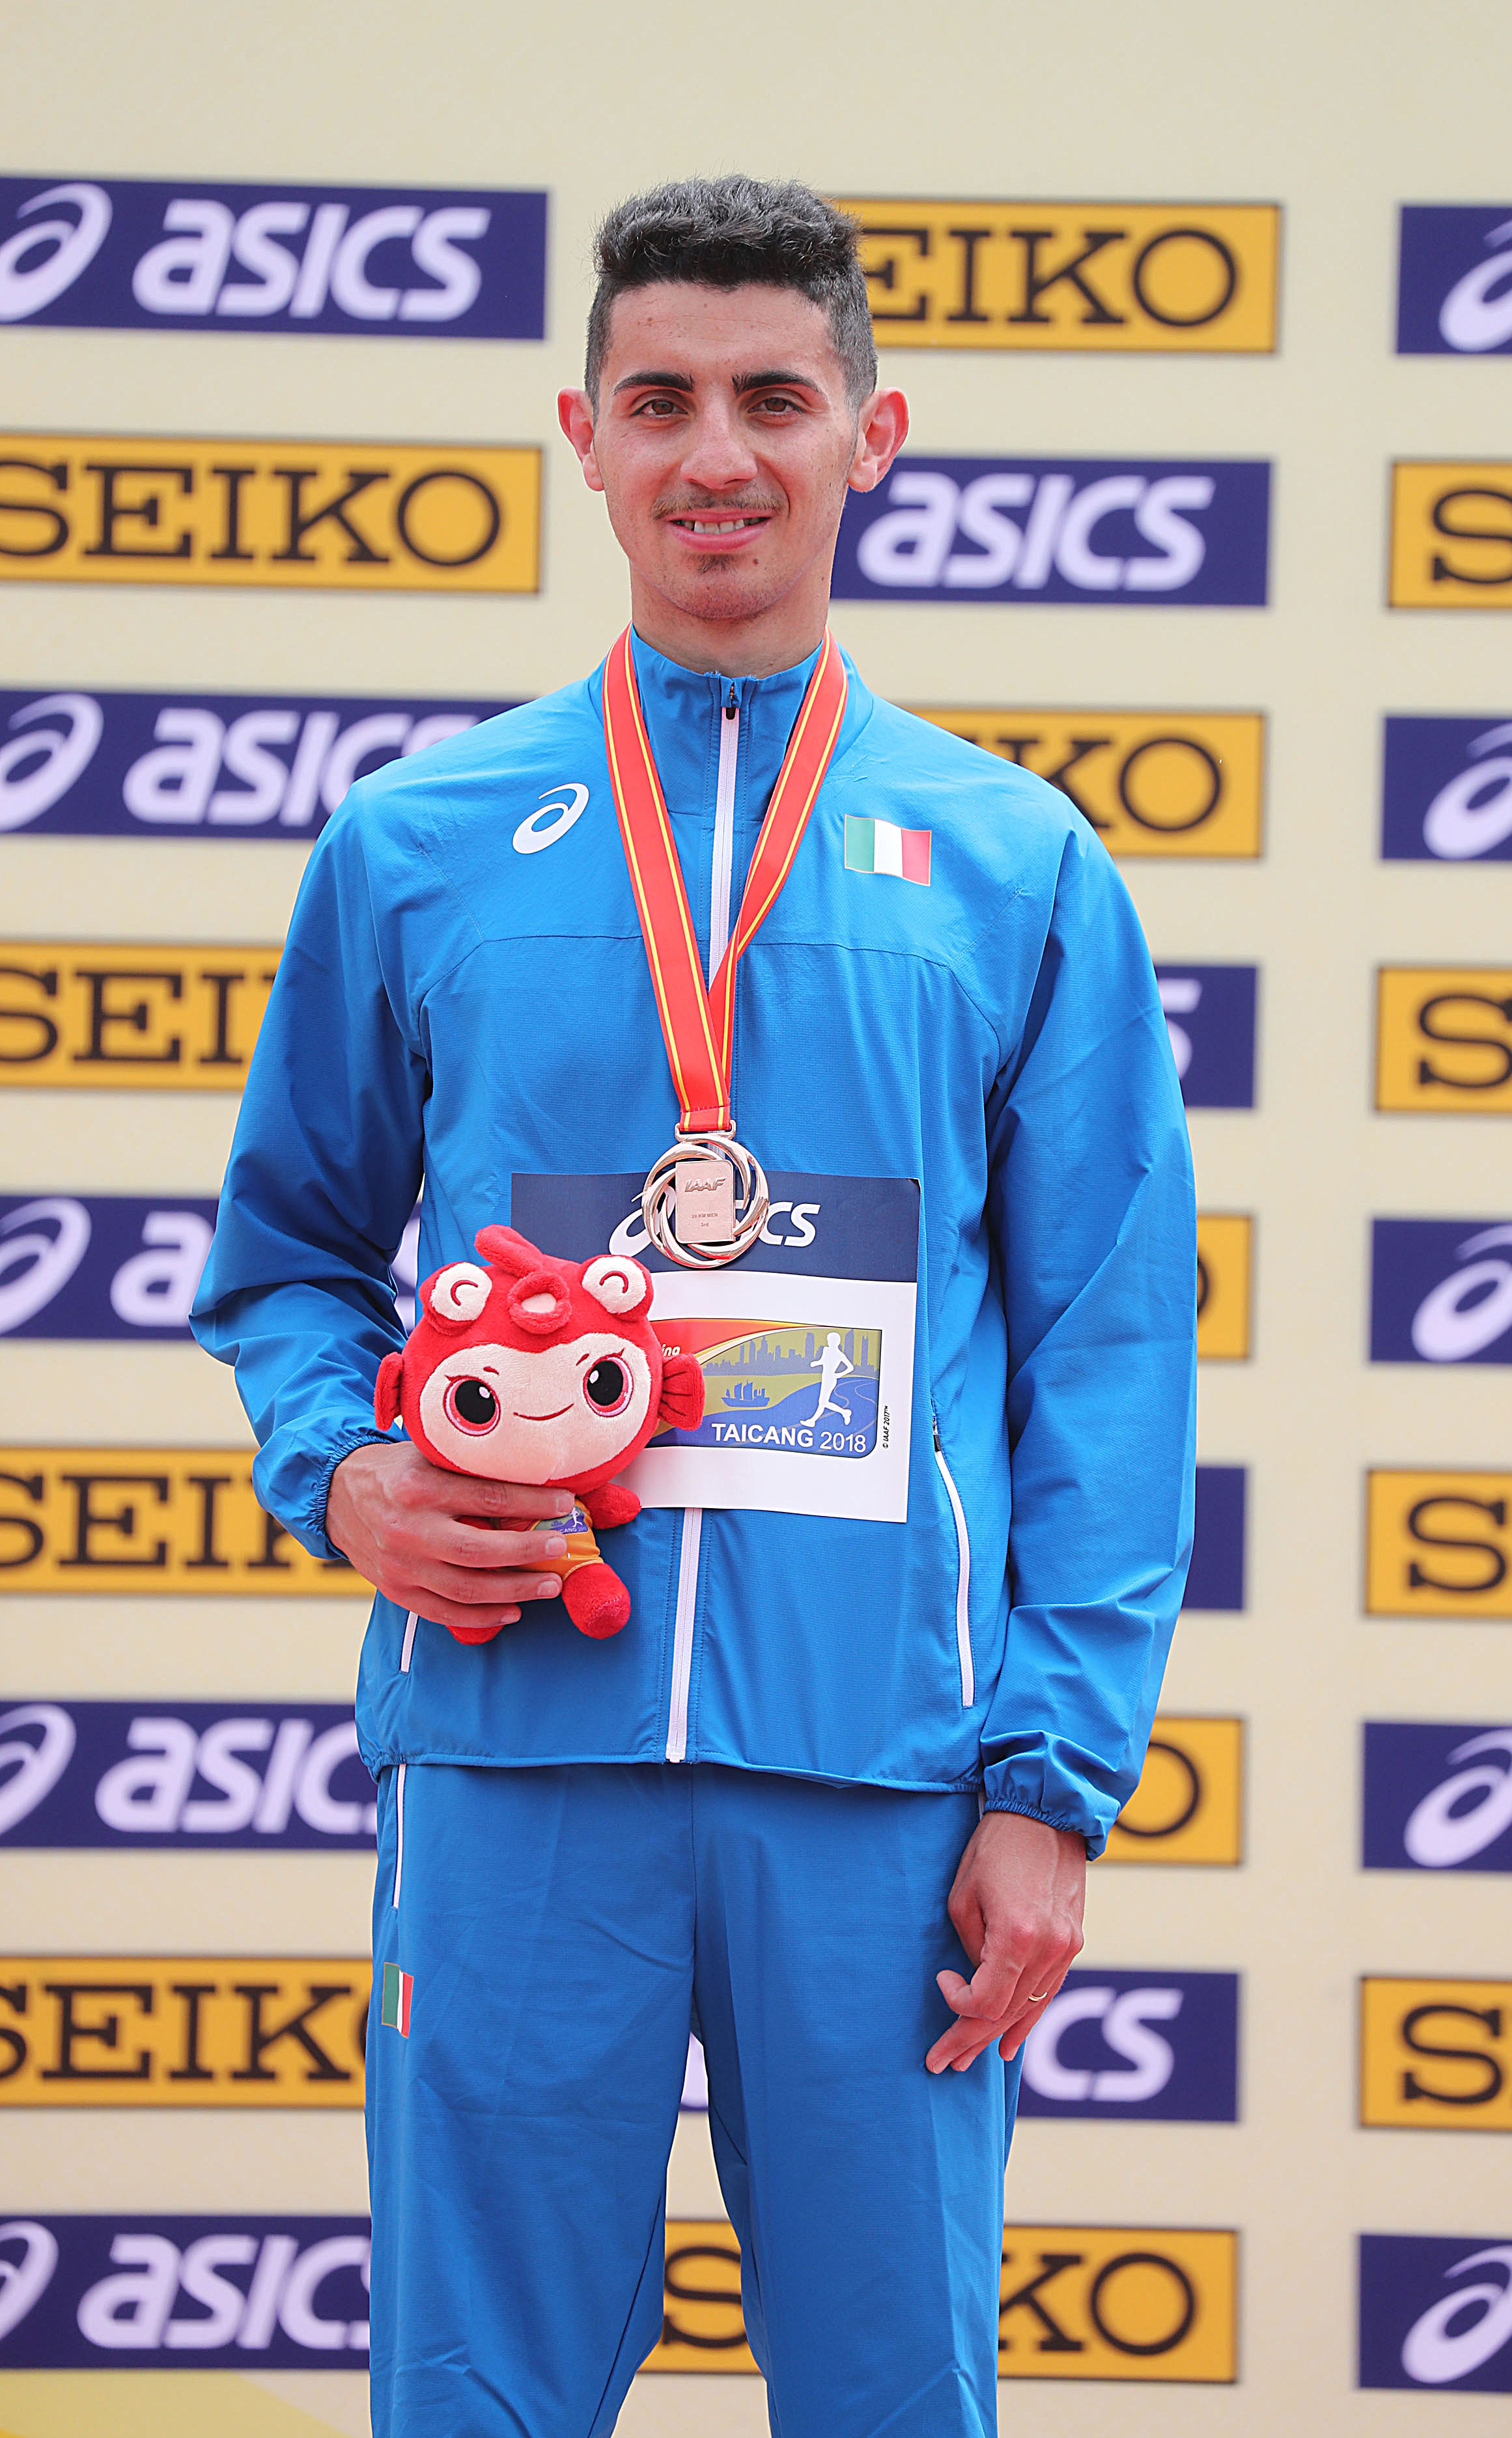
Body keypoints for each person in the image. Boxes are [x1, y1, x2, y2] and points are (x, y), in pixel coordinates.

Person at [193, 175, 1196, 2438]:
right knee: (479, 2392)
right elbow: (288, 1259)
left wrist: (1053, 1783)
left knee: (889, 2394)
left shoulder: (1017, 863)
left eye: (771, 397)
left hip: (889, 1776)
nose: (714, 452)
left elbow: (1111, 1357)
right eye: (659, 401)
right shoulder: (419, 840)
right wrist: (343, 1475)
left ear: (872, 432)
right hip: (516, 1739)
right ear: (584, 436)